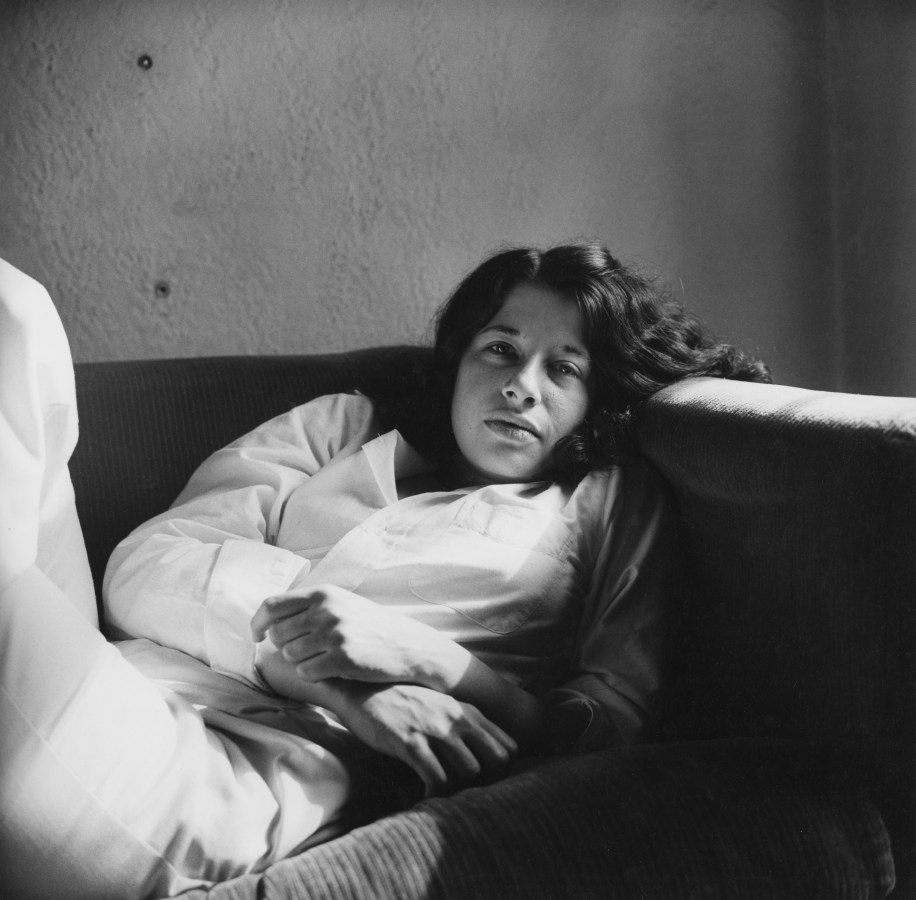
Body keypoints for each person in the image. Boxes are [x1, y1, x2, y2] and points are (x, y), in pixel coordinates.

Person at [0, 243, 769, 899]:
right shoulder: (342, 426)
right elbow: (144, 565)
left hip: (216, 773)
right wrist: (341, 676)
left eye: (563, 368)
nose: (520, 384)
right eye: (500, 348)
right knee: (13, 311)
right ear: (459, 359)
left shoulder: (603, 500)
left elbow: (609, 725)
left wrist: (433, 660)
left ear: (595, 396)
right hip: (108, 667)